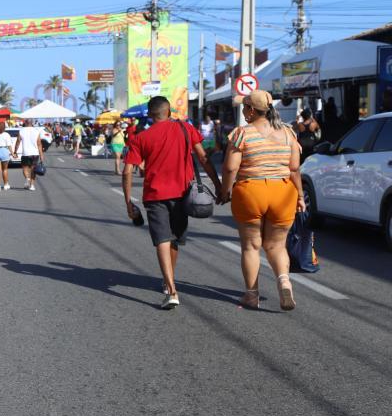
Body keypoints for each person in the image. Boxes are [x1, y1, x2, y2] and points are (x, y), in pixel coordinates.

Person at [122, 96, 222, 310]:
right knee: (173, 239)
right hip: (183, 194)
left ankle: (171, 288)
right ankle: (170, 285)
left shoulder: (141, 138)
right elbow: (203, 158)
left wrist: (128, 202)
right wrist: (218, 187)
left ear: (149, 115)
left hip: (155, 196)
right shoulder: (185, 128)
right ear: (169, 112)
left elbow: (127, 170)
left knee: (162, 240)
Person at [218, 90, 304, 311]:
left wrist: (225, 191)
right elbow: (294, 169)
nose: (244, 111)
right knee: (276, 245)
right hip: (283, 192)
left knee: (251, 246)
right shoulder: (288, 132)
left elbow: (230, 167)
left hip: (251, 191)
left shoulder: (242, 133)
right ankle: (284, 281)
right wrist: (301, 197)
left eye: (245, 107)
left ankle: (252, 295)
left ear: (252, 110)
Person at [13, 119, 43, 191]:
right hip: (35, 153)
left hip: (25, 153)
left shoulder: (22, 131)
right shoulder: (36, 131)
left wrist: (15, 151)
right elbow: (39, 144)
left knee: (25, 168)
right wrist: (41, 154)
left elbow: (18, 142)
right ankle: (32, 185)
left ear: (25, 123)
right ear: (32, 123)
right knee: (33, 169)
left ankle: (27, 178)